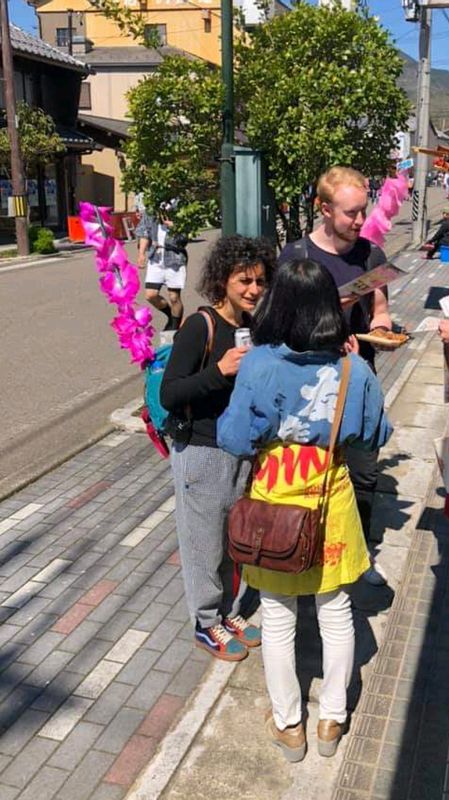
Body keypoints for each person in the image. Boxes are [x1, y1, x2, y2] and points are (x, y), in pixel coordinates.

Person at [218, 258, 392, 761]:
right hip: (329, 500)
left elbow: (234, 438)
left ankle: (288, 724)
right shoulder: (352, 366)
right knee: (336, 611)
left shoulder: (258, 364)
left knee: (276, 614)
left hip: (275, 504)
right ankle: (331, 720)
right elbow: (376, 434)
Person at [160, 235, 276, 661]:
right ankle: (205, 623)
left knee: (231, 541)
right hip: (202, 451)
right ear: (222, 280)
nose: (253, 290)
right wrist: (220, 370)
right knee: (203, 545)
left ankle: (227, 613)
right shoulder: (200, 326)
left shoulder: (253, 327)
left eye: (261, 281)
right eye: (244, 280)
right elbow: (171, 393)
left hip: (240, 450)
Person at [279, 166, 393, 585]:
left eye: (363, 211)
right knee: (311, 472)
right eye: (350, 213)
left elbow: (380, 310)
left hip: (359, 379)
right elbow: (281, 325)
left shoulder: (371, 255)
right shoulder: (296, 257)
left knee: (363, 472)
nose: (360, 222)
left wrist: (381, 329)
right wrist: (331, 312)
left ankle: (361, 554)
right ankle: (302, 550)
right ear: (323, 209)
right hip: (307, 388)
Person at [137, 201, 188, 331]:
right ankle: (171, 316)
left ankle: (175, 327)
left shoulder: (180, 208)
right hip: (156, 256)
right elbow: (144, 232)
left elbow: (187, 237)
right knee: (150, 295)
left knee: (174, 297)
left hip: (174, 257)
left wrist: (175, 227)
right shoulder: (151, 209)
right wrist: (141, 253)